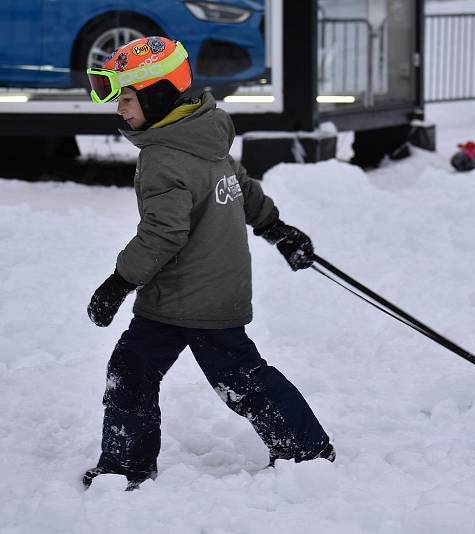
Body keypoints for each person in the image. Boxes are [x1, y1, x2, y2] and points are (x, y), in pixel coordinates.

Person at [82, 36, 335, 491]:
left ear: (158, 95)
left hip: (196, 297)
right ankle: (125, 465)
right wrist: (276, 230)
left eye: (127, 97)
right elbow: (241, 185)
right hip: (184, 291)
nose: (119, 109)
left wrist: (118, 283)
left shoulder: (165, 156)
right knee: (133, 369)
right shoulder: (205, 133)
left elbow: (164, 232)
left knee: (239, 379)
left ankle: (306, 450)